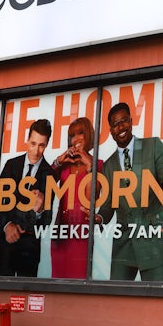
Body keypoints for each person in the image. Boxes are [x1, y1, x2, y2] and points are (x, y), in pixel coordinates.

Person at [96, 102, 163, 281]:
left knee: (156, 302)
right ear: (110, 130)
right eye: (115, 124)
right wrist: (99, 217)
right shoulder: (108, 165)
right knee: (117, 302)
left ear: (131, 121)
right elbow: (108, 203)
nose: (120, 127)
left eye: (124, 121)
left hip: (153, 237)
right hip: (124, 242)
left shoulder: (153, 146)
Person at [0, 119, 54, 277]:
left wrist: (40, 210)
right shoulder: (11, 165)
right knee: (0, 298)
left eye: (41, 145)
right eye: (33, 143)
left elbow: (46, 220)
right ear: (27, 140)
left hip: (29, 252)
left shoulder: (50, 174)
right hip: (4, 248)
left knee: (25, 299)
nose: (36, 151)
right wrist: (7, 226)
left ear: (47, 144)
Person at [49, 117, 103, 279]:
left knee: (78, 282)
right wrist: (59, 160)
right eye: (72, 135)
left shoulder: (99, 164)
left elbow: (95, 195)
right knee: (56, 283)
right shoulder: (64, 165)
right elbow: (44, 183)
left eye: (81, 133)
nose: (76, 138)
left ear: (89, 136)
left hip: (82, 234)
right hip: (61, 233)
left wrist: (89, 165)